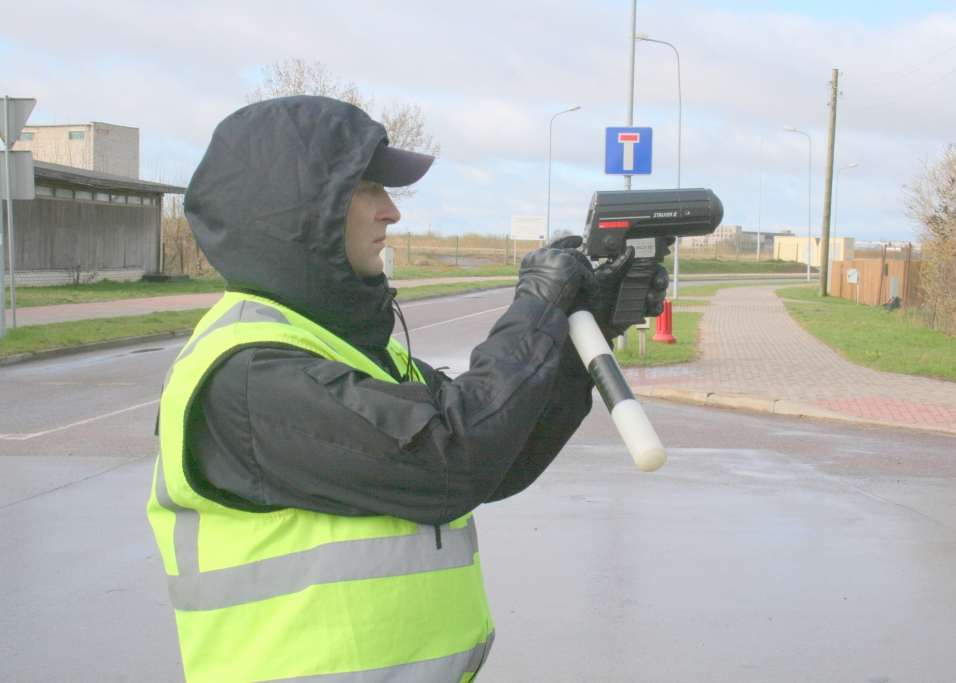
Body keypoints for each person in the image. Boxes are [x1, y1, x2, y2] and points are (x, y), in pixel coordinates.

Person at [147, 95, 667, 683]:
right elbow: (454, 457)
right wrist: (536, 309)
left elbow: (498, 456)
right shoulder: (247, 374)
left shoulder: (356, 351)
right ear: (296, 211)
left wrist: (576, 337)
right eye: (366, 189)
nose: (391, 211)